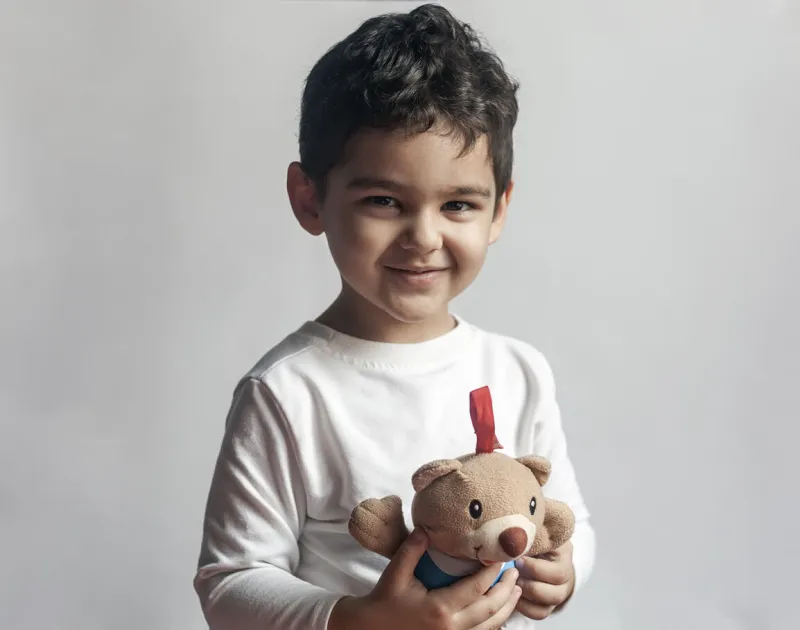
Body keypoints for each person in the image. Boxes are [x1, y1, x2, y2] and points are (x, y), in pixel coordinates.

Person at [193, 4, 595, 629]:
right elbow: (230, 580)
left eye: (458, 205)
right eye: (384, 200)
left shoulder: (519, 371)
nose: (424, 237)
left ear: (499, 210)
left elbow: (570, 522)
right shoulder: (288, 393)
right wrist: (360, 620)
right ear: (310, 199)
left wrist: (565, 573)